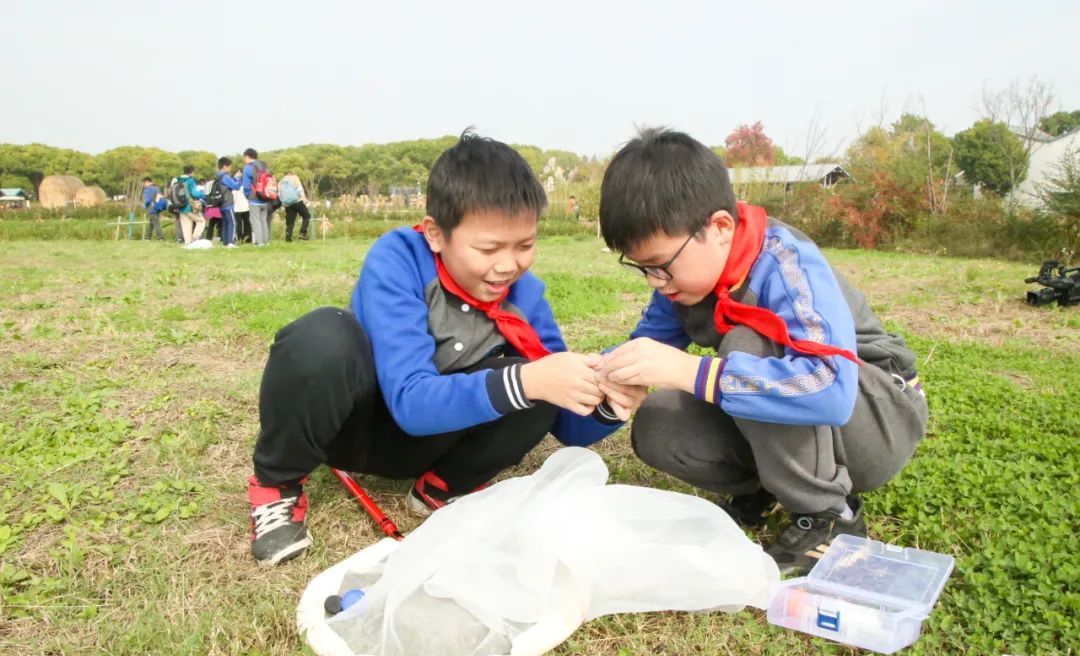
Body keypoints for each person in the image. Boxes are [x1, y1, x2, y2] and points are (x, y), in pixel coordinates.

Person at [246, 131, 635, 567]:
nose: (508, 265)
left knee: (537, 378)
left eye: (525, 246)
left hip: (429, 444)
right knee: (323, 336)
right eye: (488, 248)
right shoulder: (399, 261)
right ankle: (276, 484)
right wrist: (527, 380)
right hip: (354, 429)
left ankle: (442, 487)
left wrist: (610, 397)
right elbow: (411, 401)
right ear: (435, 234)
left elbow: (565, 425)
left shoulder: (524, 296)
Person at [596, 128, 928, 575]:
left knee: (747, 341)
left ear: (719, 228)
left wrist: (698, 373)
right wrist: (604, 374)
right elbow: (647, 348)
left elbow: (830, 388)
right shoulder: (678, 287)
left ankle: (831, 518)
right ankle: (770, 488)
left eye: (661, 265)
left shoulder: (786, 264)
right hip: (811, 414)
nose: (657, 282)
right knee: (658, 422)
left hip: (877, 418)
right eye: (643, 270)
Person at [241, 148, 271, 246]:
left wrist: (248, 196)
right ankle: (266, 241)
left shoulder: (248, 168)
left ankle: (259, 242)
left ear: (247, 156)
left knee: (255, 220)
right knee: (263, 220)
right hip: (265, 197)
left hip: (254, 198)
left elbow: (246, 185)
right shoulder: (264, 166)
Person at [215, 157, 243, 247]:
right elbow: (236, 187)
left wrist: (234, 178)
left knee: (225, 224)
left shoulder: (218, 175)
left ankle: (226, 243)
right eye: (230, 167)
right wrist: (238, 178)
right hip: (228, 203)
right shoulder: (225, 176)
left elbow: (228, 185)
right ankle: (231, 242)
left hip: (220, 203)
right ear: (224, 166)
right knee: (233, 223)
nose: (230, 169)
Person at [175, 165, 206, 245]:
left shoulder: (179, 180)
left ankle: (188, 244)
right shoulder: (190, 180)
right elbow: (194, 193)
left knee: (186, 226)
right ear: (192, 172)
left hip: (181, 206)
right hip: (190, 206)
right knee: (201, 221)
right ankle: (195, 238)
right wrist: (203, 194)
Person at [279, 170, 311, 241]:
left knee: (290, 222)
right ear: (291, 173)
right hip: (297, 201)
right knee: (306, 216)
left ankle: (288, 239)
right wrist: (304, 198)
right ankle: (303, 233)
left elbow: (279, 194)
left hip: (287, 204)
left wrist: (283, 204)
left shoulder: (281, 181)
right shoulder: (294, 177)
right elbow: (300, 189)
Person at [232, 167, 252, 244]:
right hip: (246, 207)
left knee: (238, 225)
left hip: (237, 208)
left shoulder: (234, 188)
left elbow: (233, 199)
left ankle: (239, 239)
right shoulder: (246, 186)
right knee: (247, 224)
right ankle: (248, 239)